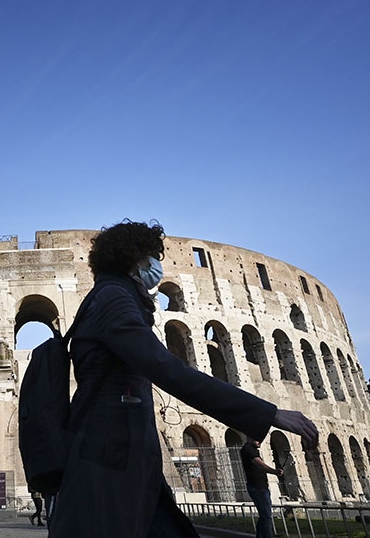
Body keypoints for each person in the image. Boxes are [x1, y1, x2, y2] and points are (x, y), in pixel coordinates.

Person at [48, 220, 319, 538]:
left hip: (118, 457)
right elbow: (168, 370)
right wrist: (268, 413)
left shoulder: (106, 298)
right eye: (153, 257)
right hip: (111, 458)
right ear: (137, 259)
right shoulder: (114, 300)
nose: (157, 266)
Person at [239, 440, 283, 538]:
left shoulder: (252, 449)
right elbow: (260, 464)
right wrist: (274, 471)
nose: (260, 442)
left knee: (264, 515)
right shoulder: (248, 449)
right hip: (257, 487)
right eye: (258, 439)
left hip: (260, 486)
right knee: (266, 515)